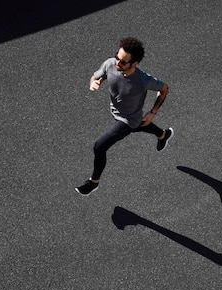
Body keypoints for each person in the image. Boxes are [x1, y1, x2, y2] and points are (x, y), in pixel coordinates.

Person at [75, 37, 174, 196]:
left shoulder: (143, 80)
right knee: (139, 126)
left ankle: (94, 182)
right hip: (120, 113)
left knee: (99, 146)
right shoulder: (110, 64)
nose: (117, 63)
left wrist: (152, 112)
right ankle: (163, 135)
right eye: (117, 57)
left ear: (135, 64)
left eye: (122, 62)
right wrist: (93, 82)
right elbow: (97, 76)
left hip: (127, 120)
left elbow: (164, 89)